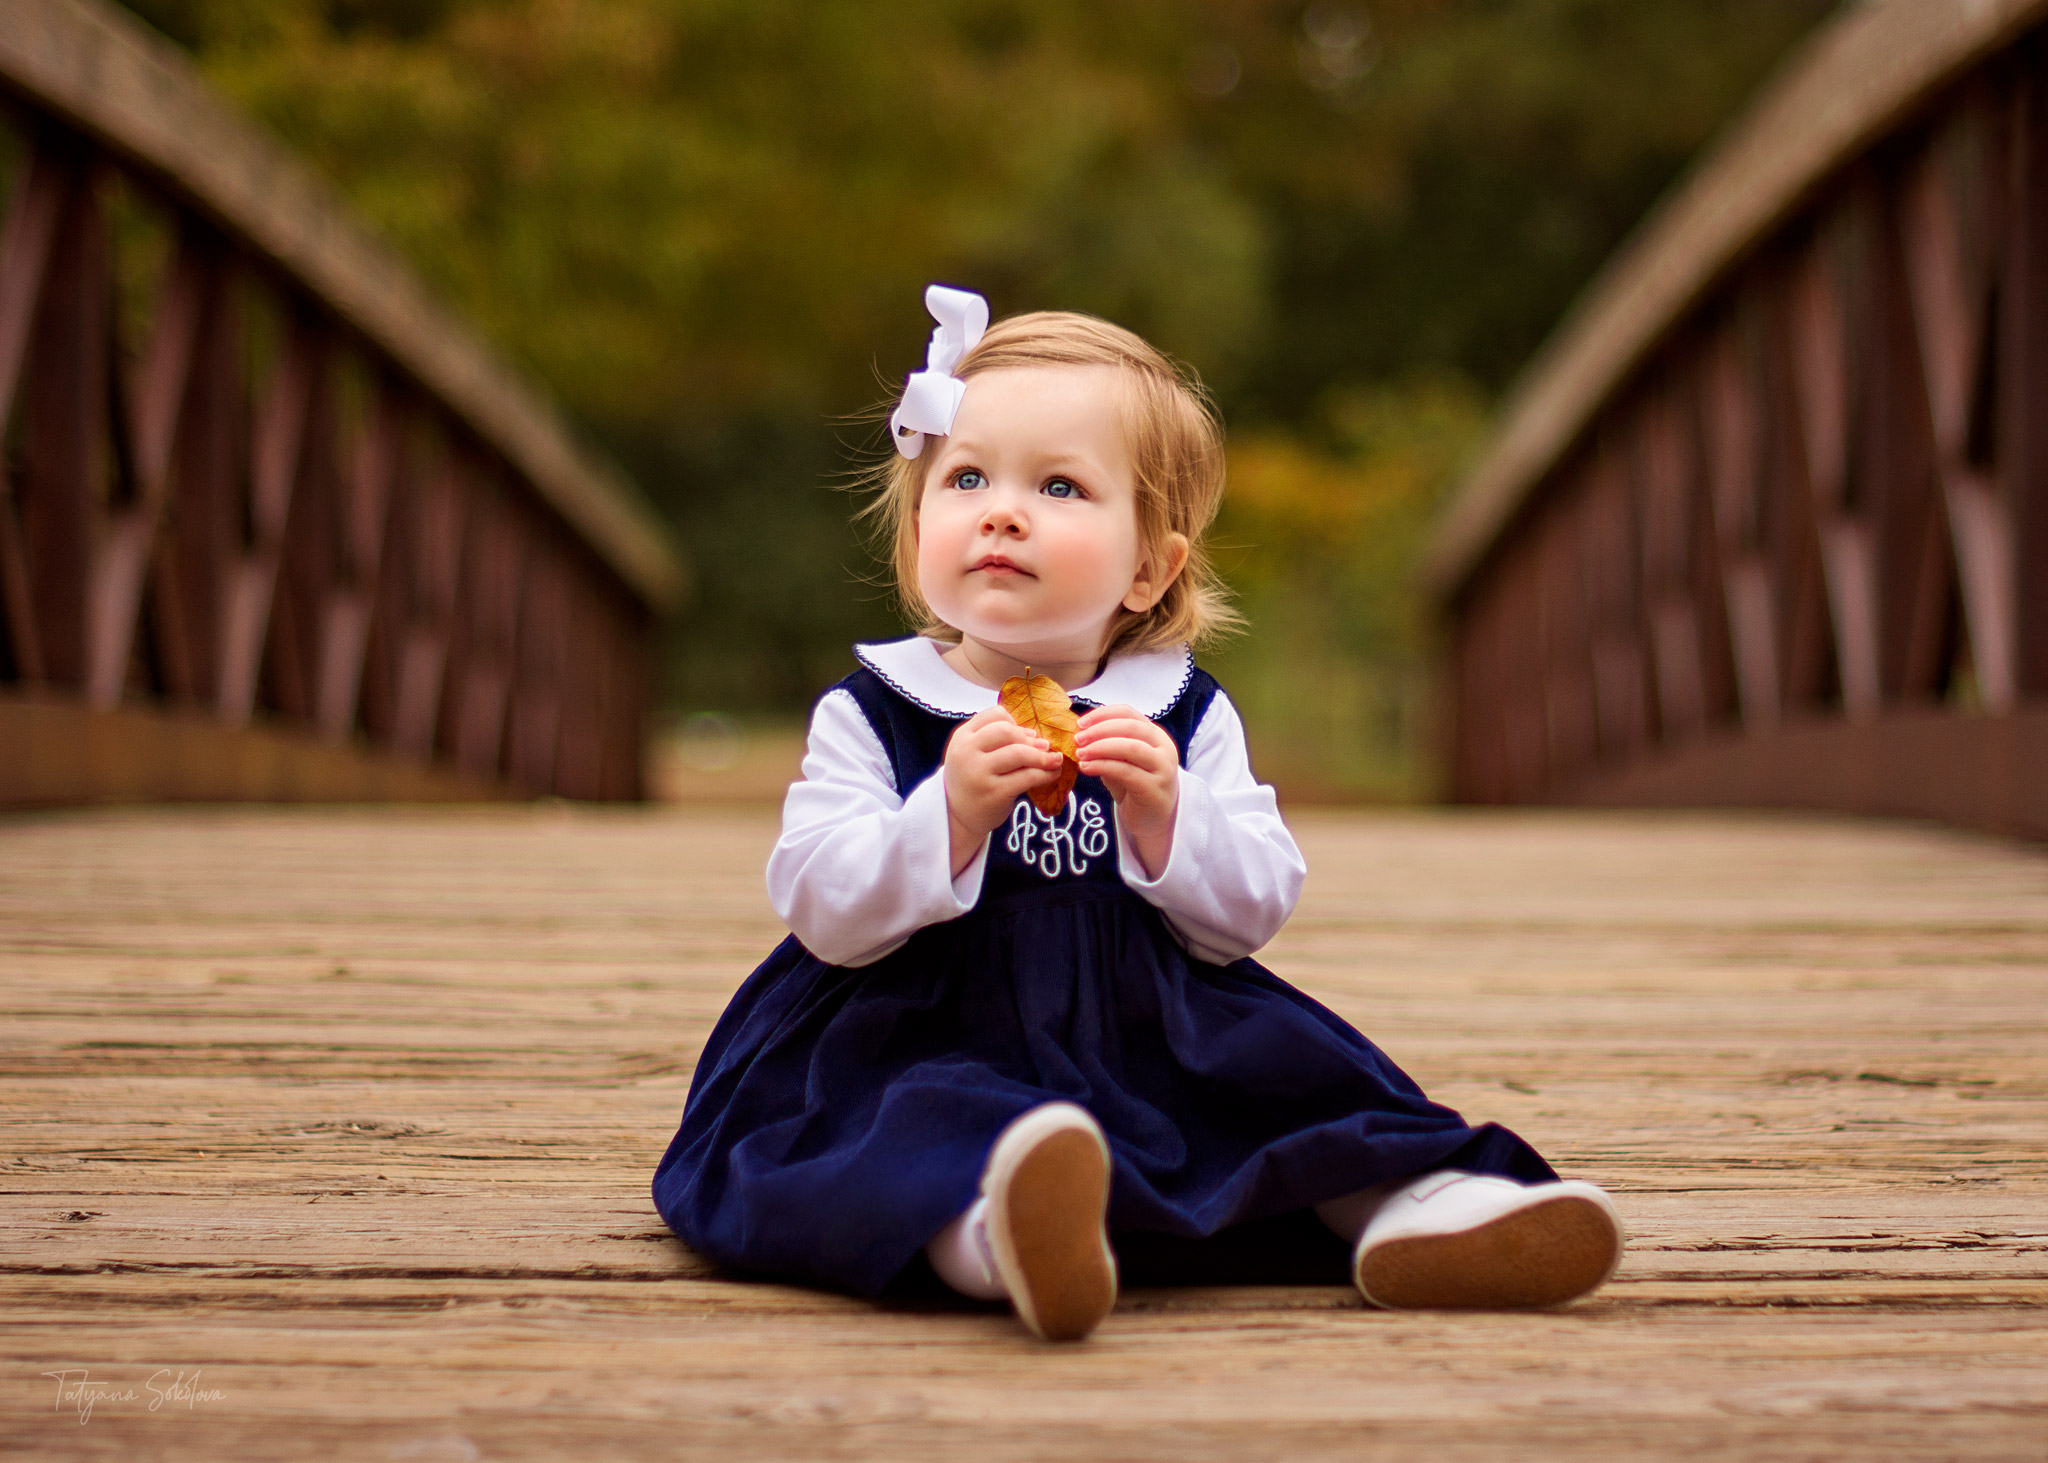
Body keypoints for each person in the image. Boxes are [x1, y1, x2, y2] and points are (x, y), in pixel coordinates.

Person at [651, 285, 1623, 1341]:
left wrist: (1169, 817)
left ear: (1148, 566)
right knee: (911, 1128)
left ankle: (1423, 1205)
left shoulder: (1179, 714)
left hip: (1145, 1021)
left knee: (1289, 1088)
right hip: (912, 1021)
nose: (1002, 509)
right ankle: (1002, 1234)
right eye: (965, 476)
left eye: (1059, 485)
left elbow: (1249, 907)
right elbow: (821, 906)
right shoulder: (877, 713)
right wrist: (946, 817)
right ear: (919, 518)